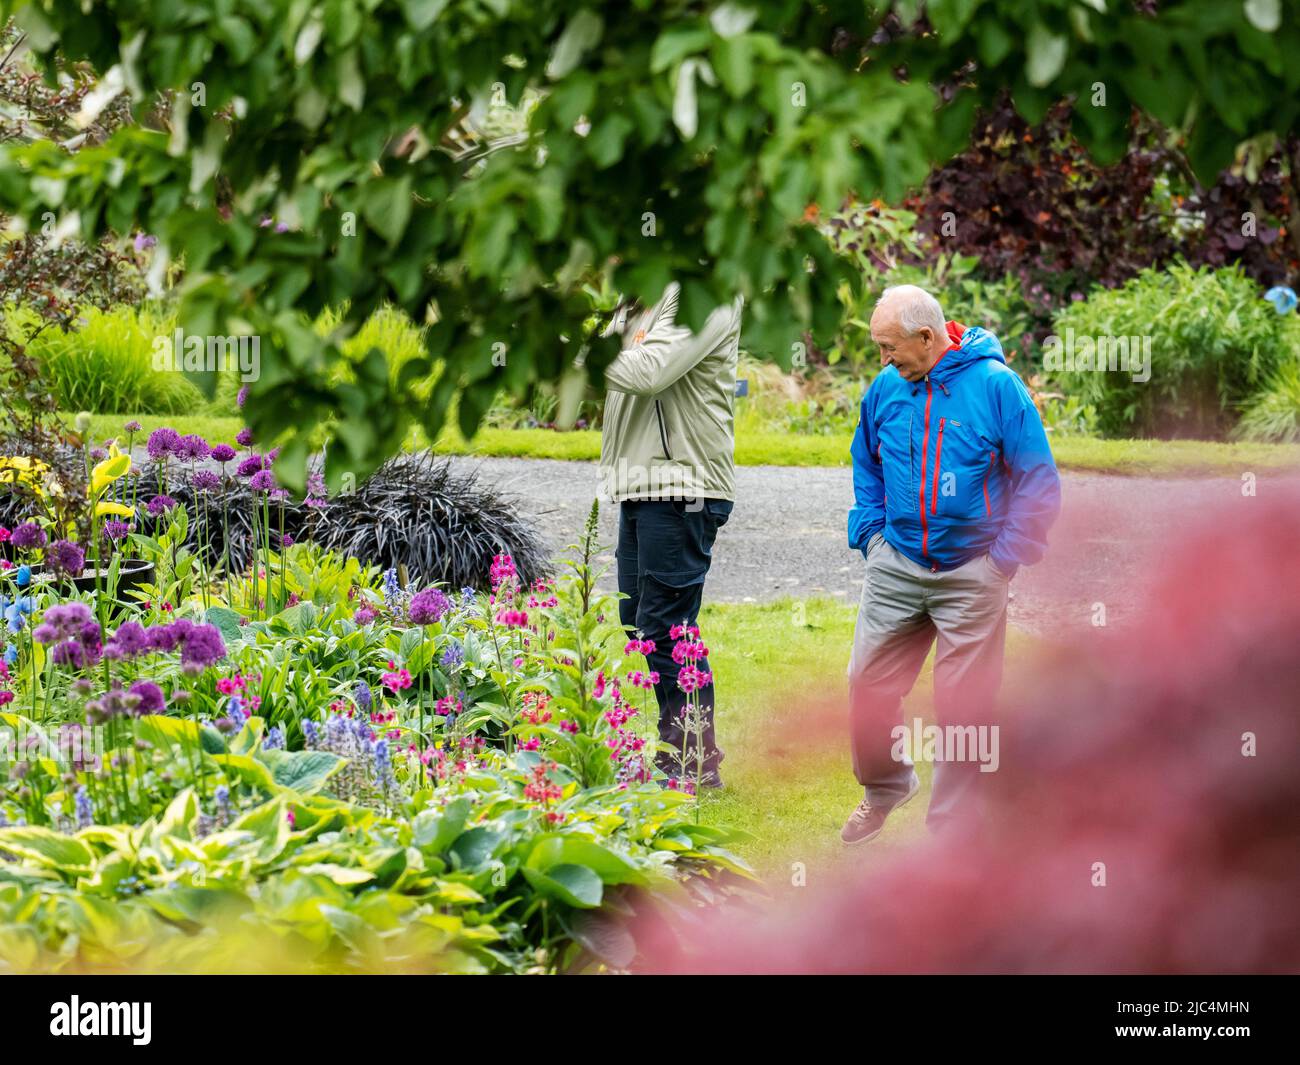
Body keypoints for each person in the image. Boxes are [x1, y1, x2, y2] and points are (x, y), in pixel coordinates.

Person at [842, 284, 1061, 843]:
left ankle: (951, 837)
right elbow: (864, 459)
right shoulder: (887, 388)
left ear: (926, 336)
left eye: (889, 347)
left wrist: (1003, 561)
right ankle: (887, 785)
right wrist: (871, 534)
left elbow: (1038, 480)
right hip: (897, 564)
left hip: (973, 572)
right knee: (865, 686)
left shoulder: (996, 387)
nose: (883, 360)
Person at [600, 280, 743, 787]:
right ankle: (677, 754)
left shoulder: (707, 292)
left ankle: (695, 764)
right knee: (639, 623)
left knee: (667, 626)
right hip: (644, 481)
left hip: (683, 483)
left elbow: (650, 371)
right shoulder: (642, 294)